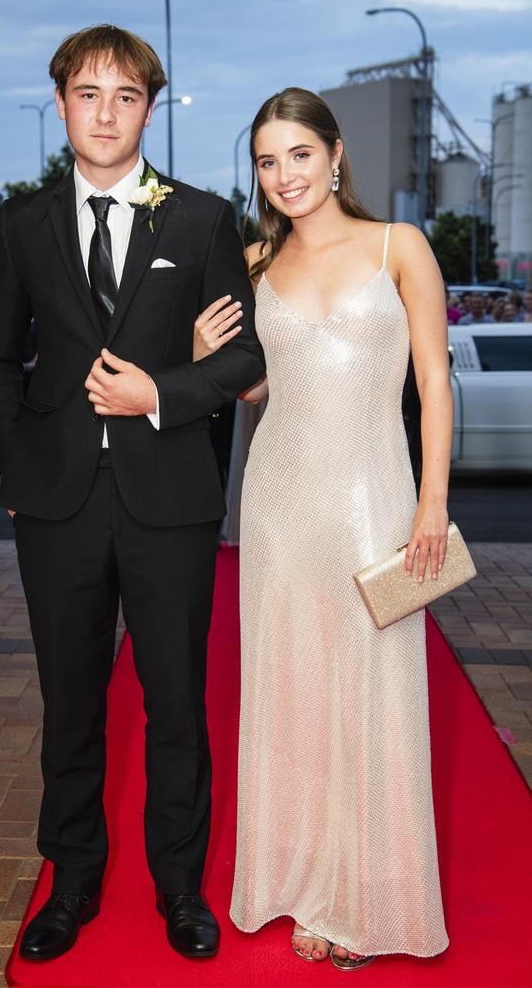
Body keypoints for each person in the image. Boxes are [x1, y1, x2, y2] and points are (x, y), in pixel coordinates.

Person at [0, 24, 264, 964]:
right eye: (88, 93)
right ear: (61, 104)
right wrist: (18, 472)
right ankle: (73, 882)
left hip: (170, 498)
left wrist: (160, 395)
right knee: (71, 704)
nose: (106, 112)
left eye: (126, 95)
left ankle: (179, 888)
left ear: (151, 107)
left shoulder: (201, 219)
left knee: (176, 703)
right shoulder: (21, 222)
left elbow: (248, 359)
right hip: (54, 504)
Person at [196, 86, 451, 970]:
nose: (284, 175)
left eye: (298, 154)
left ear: (336, 154)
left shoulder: (401, 246)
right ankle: (301, 877)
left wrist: (432, 500)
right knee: (292, 693)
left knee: (373, 691)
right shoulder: (258, 258)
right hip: (277, 504)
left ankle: (364, 893)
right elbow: (261, 387)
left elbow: (435, 383)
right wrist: (208, 361)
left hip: (374, 498)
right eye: (267, 161)